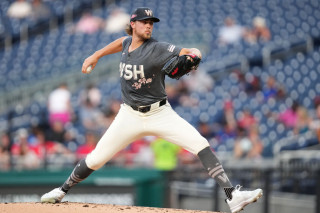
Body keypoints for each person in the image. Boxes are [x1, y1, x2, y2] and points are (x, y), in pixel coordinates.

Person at [40, 7, 262, 213]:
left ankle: (232, 195)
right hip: (129, 115)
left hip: (159, 113)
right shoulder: (127, 43)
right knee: (96, 159)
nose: (149, 26)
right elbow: (120, 42)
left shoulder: (157, 48)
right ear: (133, 24)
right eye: (144, 22)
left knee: (200, 144)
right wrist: (96, 55)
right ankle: (61, 191)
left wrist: (196, 53)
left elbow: (187, 50)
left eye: (151, 23)